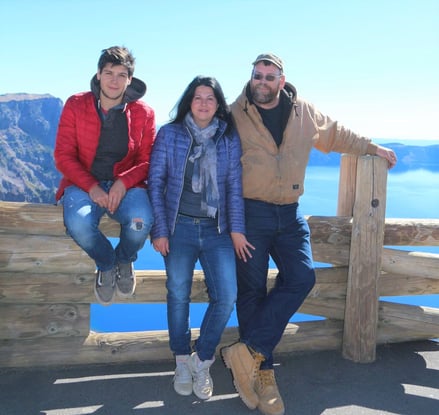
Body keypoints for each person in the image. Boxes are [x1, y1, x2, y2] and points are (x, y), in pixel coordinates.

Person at [220, 53, 398, 415]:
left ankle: (245, 351)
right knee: (251, 289)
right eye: (258, 75)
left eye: (270, 76)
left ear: (281, 81)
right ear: (251, 77)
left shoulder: (304, 112)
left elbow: (335, 134)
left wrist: (372, 148)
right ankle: (262, 371)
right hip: (249, 212)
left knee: (301, 278)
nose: (263, 81)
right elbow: (203, 143)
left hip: (289, 212)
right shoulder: (233, 112)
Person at [148, 76, 254, 400]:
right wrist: (160, 230)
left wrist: (237, 229)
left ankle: (202, 359)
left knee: (226, 296)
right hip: (178, 227)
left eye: (210, 98)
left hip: (217, 229)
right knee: (178, 294)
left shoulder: (227, 138)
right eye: (198, 97)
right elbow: (155, 183)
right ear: (188, 102)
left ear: (218, 104)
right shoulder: (169, 134)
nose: (204, 103)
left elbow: (234, 187)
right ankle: (181, 359)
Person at [54, 46, 155, 306]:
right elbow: (63, 156)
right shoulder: (76, 104)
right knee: (78, 224)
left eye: (121, 74)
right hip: (82, 183)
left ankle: (125, 259)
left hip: (127, 186)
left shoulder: (144, 113)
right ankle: (107, 263)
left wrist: (123, 183)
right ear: (98, 74)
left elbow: (147, 160)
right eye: (108, 72)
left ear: (130, 80)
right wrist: (92, 187)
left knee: (141, 221)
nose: (114, 80)